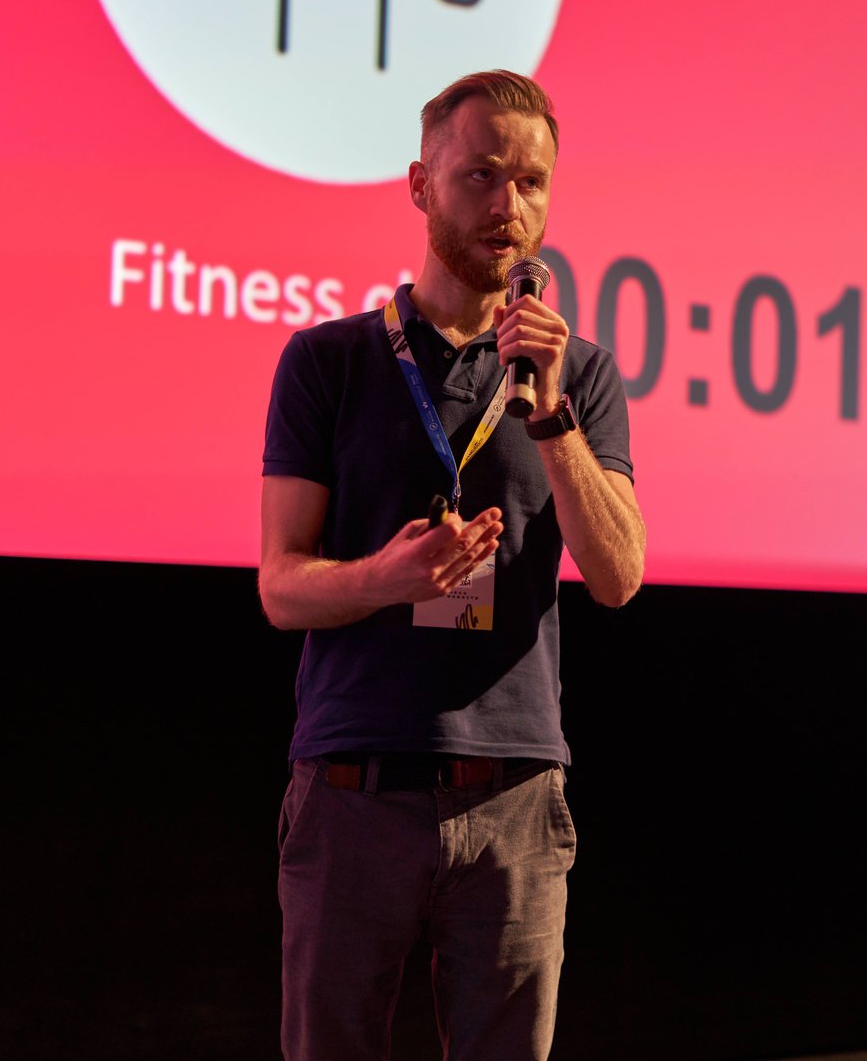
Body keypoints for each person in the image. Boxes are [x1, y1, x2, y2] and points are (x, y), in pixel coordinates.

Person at [258, 68, 646, 1061]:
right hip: (356, 789)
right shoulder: (329, 360)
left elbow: (618, 576)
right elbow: (280, 586)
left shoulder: (578, 374)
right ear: (419, 185)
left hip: (515, 793)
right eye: (481, 175)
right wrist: (385, 580)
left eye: (531, 182)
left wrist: (549, 413)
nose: (508, 205)